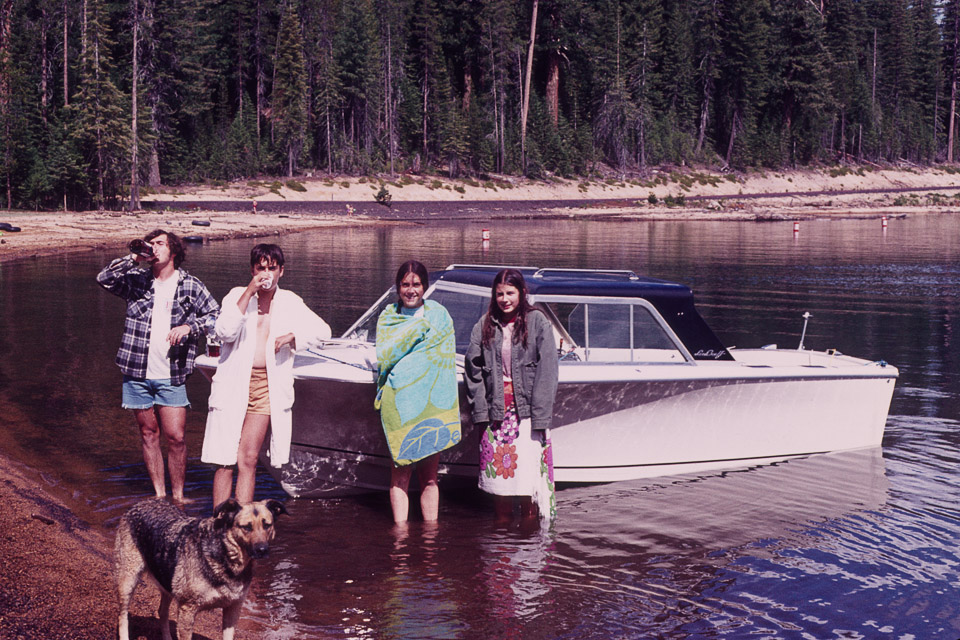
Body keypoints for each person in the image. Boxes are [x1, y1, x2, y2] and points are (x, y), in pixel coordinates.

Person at [201, 244, 331, 508]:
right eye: (261, 268)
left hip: (266, 388)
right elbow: (224, 331)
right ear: (252, 270)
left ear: (281, 271)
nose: (266, 273)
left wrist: (293, 336)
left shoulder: (291, 302)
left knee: (247, 458)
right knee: (224, 458)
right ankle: (218, 523)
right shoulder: (237, 296)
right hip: (233, 384)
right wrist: (250, 290)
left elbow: (323, 331)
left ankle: (242, 522)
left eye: (272, 268)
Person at [97, 229, 219, 505]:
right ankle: (159, 495)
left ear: (174, 251)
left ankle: (178, 496)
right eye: (150, 244)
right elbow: (103, 278)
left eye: (159, 244)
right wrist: (133, 257)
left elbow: (216, 316)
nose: (154, 248)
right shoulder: (137, 280)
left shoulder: (191, 285)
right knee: (148, 434)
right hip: (136, 370)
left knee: (176, 437)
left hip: (172, 373)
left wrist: (190, 326)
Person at [464, 268, 559, 521]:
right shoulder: (483, 326)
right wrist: (481, 412)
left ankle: (528, 550)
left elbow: (547, 371)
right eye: (499, 294)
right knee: (501, 489)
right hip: (496, 416)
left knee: (528, 487)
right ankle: (501, 552)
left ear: (522, 293)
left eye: (510, 293)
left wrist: (540, 419)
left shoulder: (538, 322)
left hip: (527, 415)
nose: (504, 299)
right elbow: (472, 371)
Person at [375, 260, 462, 524]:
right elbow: (385, 354)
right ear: (397, 287)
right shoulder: (388, 316)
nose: (411, 290)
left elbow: (441, 358)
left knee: (430, 477)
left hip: (432, 404)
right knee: (400, 475)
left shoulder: (439, 316)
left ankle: (430, 534)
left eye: (416, 284)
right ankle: (400, 536)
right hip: (401, 403)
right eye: (405, 285)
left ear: (425, 286)